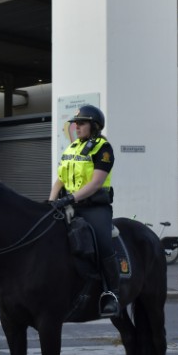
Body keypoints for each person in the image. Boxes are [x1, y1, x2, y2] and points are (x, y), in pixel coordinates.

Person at [49, 104, 119, 317]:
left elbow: (96, 183)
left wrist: (71, 198)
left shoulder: (103, 148)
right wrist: (51, 201)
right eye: (75, 124)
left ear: (94, 126)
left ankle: (111, 293)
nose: (76, 127)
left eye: (81, 123)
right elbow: (60, 179)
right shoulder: (71, 148)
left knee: (103, 242)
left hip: (94, 208)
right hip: (66, 205)